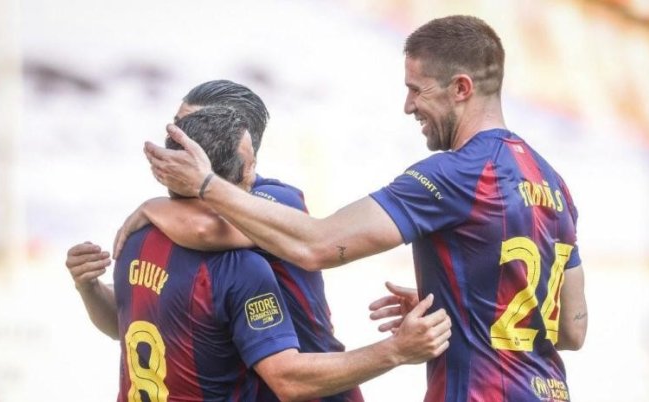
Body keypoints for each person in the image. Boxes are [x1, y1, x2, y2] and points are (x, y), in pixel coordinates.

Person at [144, 15, 588, 402]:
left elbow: (317, 245)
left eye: (416, 90)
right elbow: (571, 328)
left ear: (461, 88)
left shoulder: (456, 174)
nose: (408, 106)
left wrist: (204, 185)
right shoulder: (553, 182)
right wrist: (463, 309)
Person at [107, 106, 451, 401]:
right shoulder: (242, 264)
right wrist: (397, 350)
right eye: (250, 163)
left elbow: (123, 321)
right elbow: (288, 379)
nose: (256, 174)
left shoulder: (134, 238)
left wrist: (91, 285)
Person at [66, 80, 367, 400]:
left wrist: (150, 206)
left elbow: (206, 228)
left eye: (190, 128)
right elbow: (126, 321)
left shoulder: (276, 201)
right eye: (176, 126)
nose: (177, 139)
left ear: (235, 138)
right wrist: (89, 286)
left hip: (318, 387)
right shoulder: (158, 228)